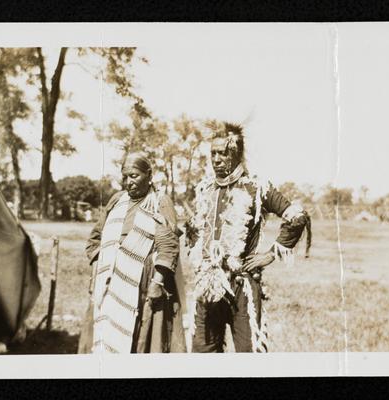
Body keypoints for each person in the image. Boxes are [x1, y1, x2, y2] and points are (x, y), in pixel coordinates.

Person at [185, 122, 309, 353]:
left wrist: (270, 255)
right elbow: (195, 230)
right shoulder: (206, 189)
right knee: (202, 353)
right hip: (207, 286)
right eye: (213, 153)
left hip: (242, 284)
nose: (217, 158)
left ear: (237, 153)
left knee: (248, 354)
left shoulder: (257, 188)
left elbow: (297, 216)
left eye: (224, 152)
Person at [78, 152, 186, 354]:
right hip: (109, 282)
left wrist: (157, 283)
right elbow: (96, 238)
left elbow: (168, 244)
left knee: (138, 341)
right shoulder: (117, 200)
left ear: (149, 174)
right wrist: (95, 276)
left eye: (134, 176)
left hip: (143, 286)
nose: (129, 182)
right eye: (125, 176)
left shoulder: (159, 201)